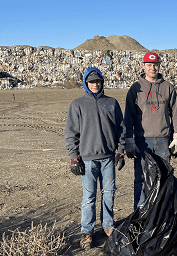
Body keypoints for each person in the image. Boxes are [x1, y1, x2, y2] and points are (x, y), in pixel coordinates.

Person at [64, 67, 125, 250]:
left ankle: (108, 227)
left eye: (98, 81)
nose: (95, 84)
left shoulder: (112, 103)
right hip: (87, 159)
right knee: (89, 197)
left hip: (108, 158)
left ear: (102, 82)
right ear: (85, 83)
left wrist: (120, 151)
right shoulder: (77, 104)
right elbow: (70, 133)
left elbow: (120, 129)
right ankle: (87, 232)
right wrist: (73, 157)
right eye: (91, 81)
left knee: (109, 194)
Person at [124, 52, 177, 210]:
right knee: (141, 179)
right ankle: (141, 213)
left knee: (163, 178)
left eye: (155, 64)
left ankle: (161, 212)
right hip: (143, 141)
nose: (152, 68)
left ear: (159, 66)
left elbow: (175, 113)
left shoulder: (167, 87)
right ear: (143, 66)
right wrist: (129, 140)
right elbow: (128, 116)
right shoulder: (136, 88)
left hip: (163, 140)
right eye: (149, 65)